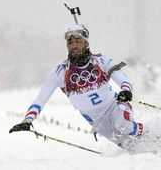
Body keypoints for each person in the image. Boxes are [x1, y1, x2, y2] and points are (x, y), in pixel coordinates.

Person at [9, 24, 147, 150]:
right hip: (97, 121)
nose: (73, 45)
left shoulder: (101, 61)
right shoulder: (60, 71)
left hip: (115, 106)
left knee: (124, 126)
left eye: (78, 41)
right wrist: (28, 120)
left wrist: (126, 91)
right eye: (70, 42)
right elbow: (40, 100)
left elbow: (125, 81)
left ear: (86, 43)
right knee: (130, 146)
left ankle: (155, 137)